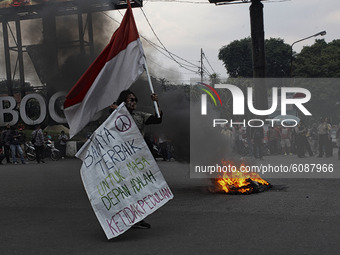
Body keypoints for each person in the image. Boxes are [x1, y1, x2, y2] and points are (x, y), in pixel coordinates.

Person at [111, 89, 162, 229]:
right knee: (125, 189)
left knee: (138, 189)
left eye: (135, 100)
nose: (134, 102)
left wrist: (156, 102)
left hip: (138, 159)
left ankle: (138, 218)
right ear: (124, 101)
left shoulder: (140, 115)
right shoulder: (116, 114)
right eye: (131, 100)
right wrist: (117, 111)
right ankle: (123, 218)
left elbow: (157, 119)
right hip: (122, 159)